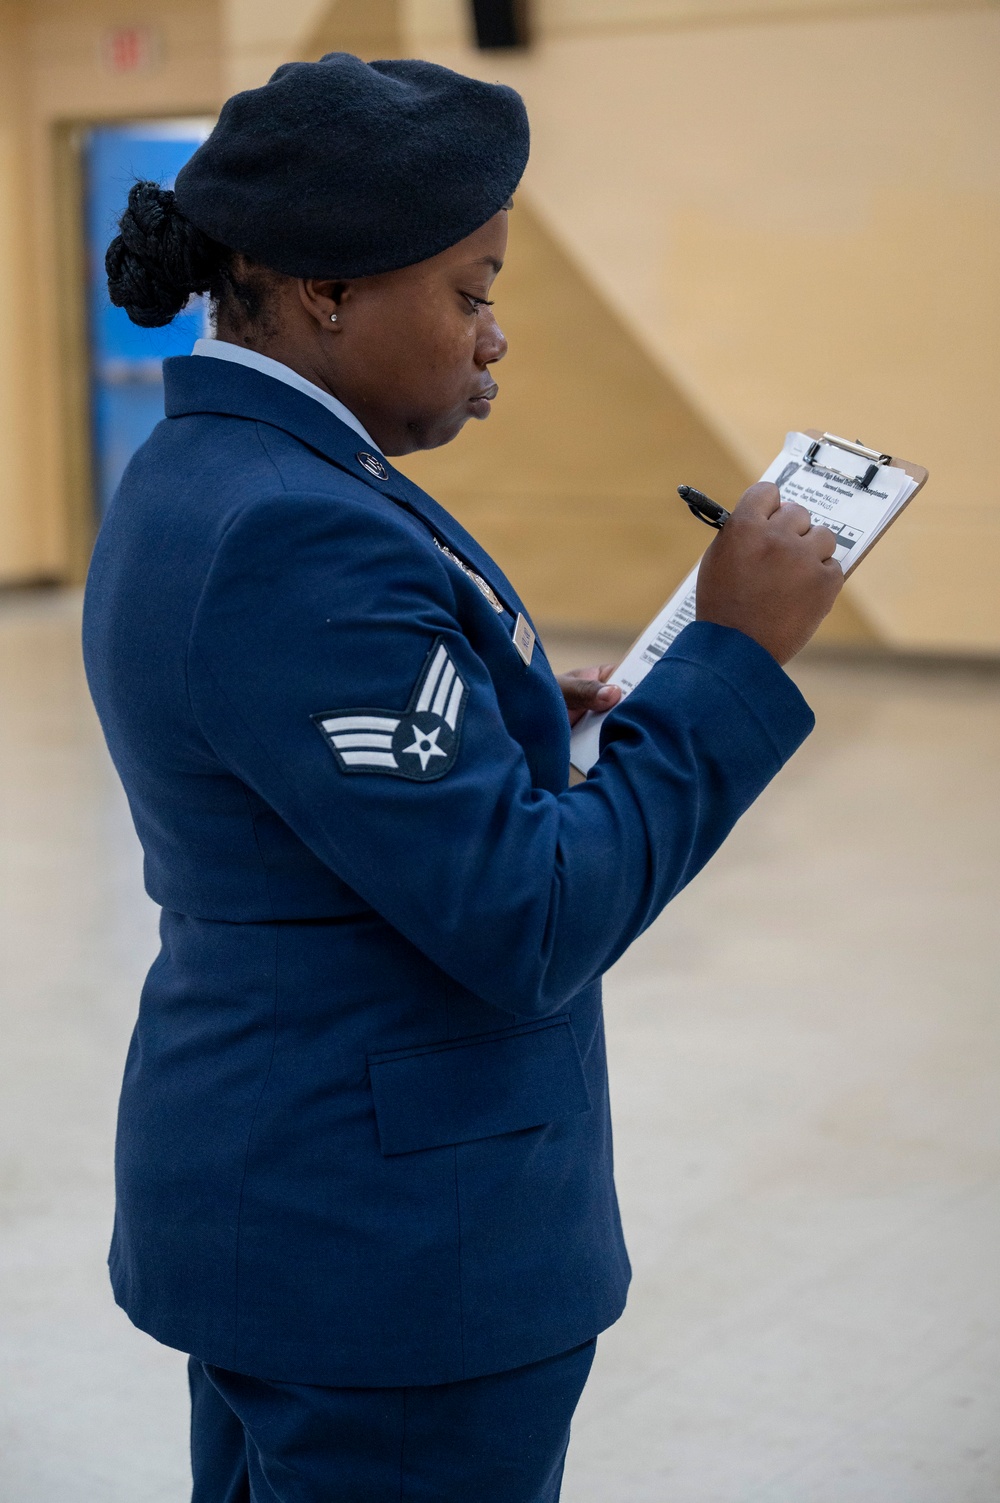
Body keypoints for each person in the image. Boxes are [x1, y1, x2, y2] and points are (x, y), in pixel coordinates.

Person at [83, 51, 842, 1503]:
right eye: (472, 293)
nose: (492, 340)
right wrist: (733, 661)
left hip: (298, 1211)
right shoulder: (293, 529)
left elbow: (292, 756)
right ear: (324, 289)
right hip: (390, 1259)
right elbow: (531, 921)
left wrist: (489, 709)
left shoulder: (226, 469)